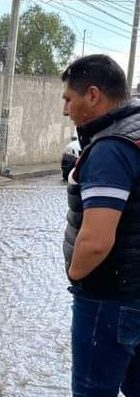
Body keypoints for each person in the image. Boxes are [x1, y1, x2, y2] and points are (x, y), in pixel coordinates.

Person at [60, 54, 140, 396]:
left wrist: (77, 276)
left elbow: (96, 241)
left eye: (68, 99)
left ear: (93, 96)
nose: (65, 110)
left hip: (109, 298)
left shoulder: (110, 149)